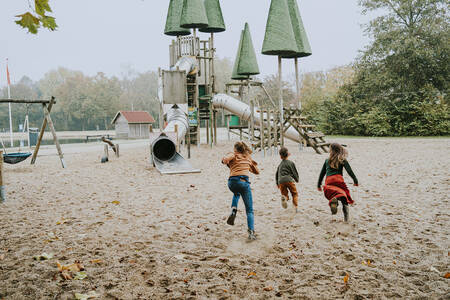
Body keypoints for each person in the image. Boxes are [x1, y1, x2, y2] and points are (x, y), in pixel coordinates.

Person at [222, 141, 259, 240]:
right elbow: (257, 171)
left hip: (232, 182)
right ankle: (251, 232)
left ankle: (234, 209)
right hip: (244, 183)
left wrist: (225, 161)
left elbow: (225, 159)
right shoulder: (247, 158)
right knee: (249, 210)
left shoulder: (233, 154)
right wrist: (249, 165)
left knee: (236, 192)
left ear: (235, 149)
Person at [317, 143, 358, 222]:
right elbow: (349, 171)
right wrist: (355, 180)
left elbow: (322, 174)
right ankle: (346, 219)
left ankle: (334, 200)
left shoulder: (327, 160)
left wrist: (319, 185)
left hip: (329, 180)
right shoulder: (342, 159)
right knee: (344, 197)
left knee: (332, 193)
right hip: (339, 179)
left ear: (331, 150)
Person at [275, 147, 299, 212]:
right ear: (288, 154)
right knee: (294, 194)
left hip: (281, 181)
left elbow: (277, 174)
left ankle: (285, 198)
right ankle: (295, 206)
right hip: (289, 180)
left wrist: (277, 183)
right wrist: (297, 179)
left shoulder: (280, 165)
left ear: (280, 156)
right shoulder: (291, 163)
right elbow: (294, 172)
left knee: (284, 194)